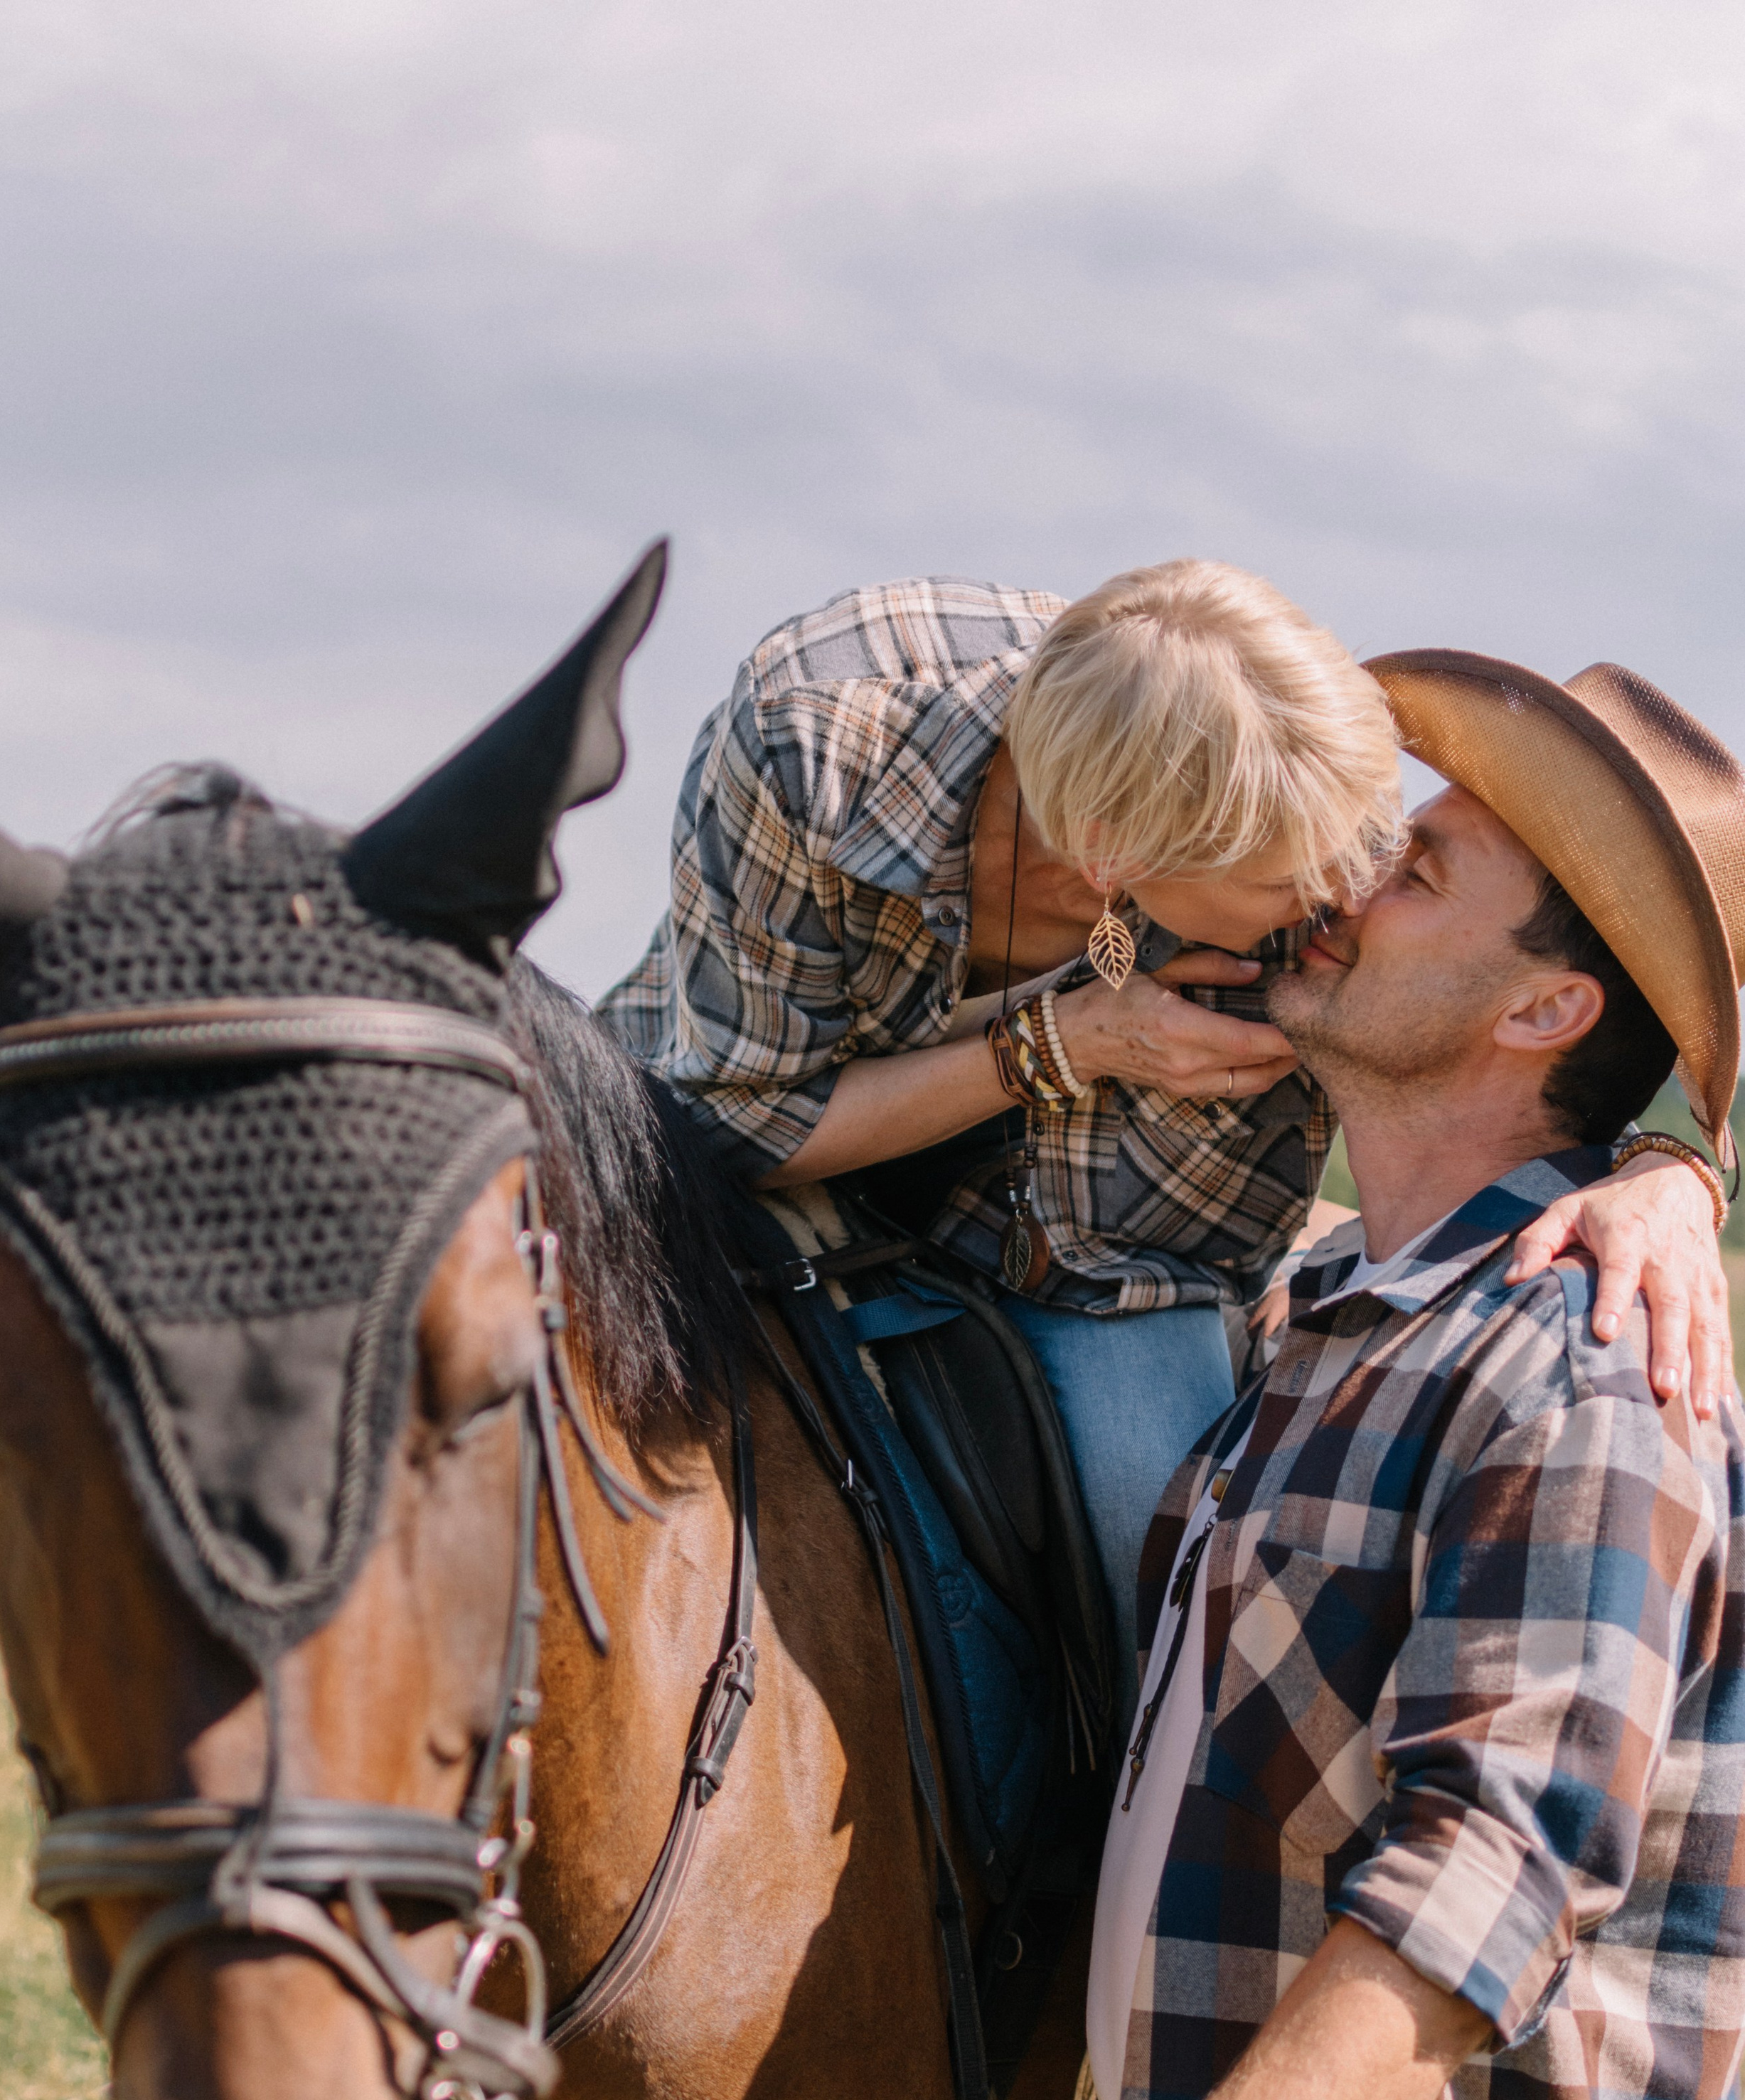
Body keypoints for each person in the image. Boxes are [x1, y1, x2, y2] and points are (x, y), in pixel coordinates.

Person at [833, 648, 1745, 2100]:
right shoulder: (1324, 1316)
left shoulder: (1582, 1377)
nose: (1345, 878)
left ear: (1542, 1012)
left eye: (1420, 869)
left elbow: (1485, 1886)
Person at [599, 569, 1732, 1725]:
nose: (1341, 892)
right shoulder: (821, 748)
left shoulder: (1296, 807)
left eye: (1373, 854)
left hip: (1122, 1274)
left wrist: (1667, 1171)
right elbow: (739, 1117)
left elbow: (1493, 1045)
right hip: (756, 1163)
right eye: (1294, 883)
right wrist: (1059, 1042)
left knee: (1183, 1635)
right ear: (1107, 859)